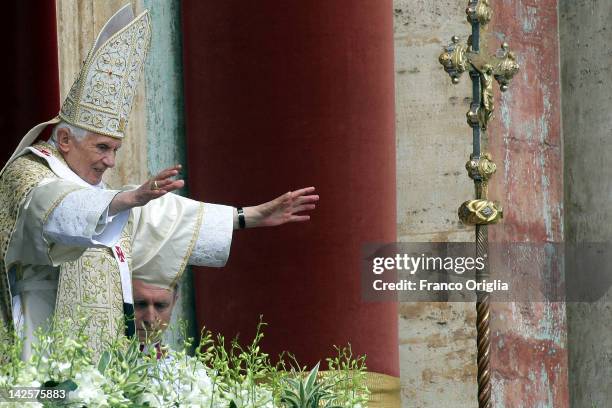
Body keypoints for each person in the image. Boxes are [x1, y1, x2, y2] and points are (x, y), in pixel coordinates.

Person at [0, 4, 318, 359]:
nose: (110, 161)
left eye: (116, 150)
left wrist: (248, 217)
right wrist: (127, 199)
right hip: (36, 351)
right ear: (64, 141)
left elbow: (166, 220)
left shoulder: (98, 195)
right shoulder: (28, 173)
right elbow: (54, 209)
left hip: (97, 364)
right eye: (102, 147)